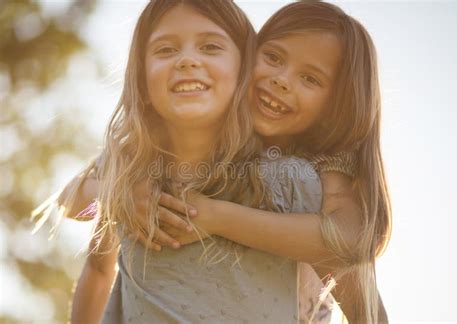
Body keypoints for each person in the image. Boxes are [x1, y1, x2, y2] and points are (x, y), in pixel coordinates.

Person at [33, 1, 391, 323]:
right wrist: (118, 196)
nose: (281, 81)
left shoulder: (300, 180)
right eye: (274, 58)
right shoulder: (140, 161)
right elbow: (72, 203)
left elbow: (351, 259)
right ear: (250, 57)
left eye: (310, 78)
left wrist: (214, 217)